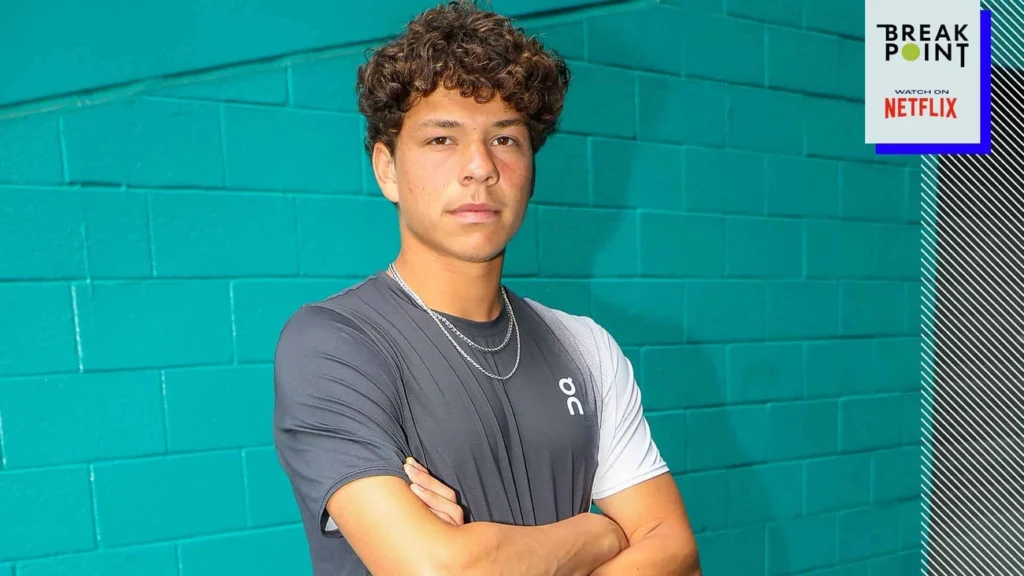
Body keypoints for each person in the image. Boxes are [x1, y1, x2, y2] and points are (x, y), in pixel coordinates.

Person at [273, 1, 701, 574]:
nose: (480, 167)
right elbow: (440, 570)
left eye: (504, 139)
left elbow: (677, 553)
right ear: (387, 169)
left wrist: (489, 555)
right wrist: (599, 532)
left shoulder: (585, 346)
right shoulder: (334, 345)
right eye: (441, 140)